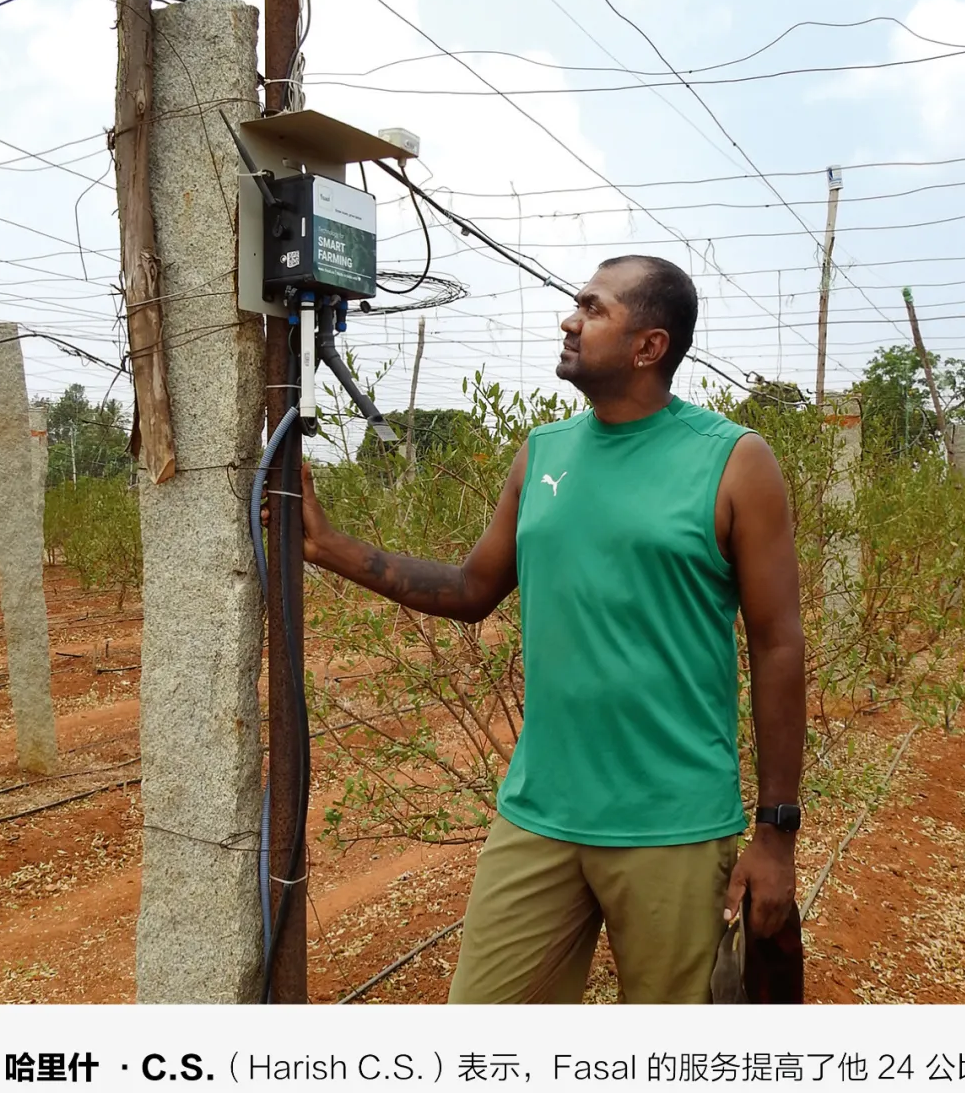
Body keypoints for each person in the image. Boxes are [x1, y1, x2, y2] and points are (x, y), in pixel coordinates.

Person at [299, 254, 806, 1003]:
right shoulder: (542, 454)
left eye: (593, 309)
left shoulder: (734, 462)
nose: (569, 320)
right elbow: (473, 588)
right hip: (539, 816)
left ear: (649, 345)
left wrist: (776, 833)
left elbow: (778, 644)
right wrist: (327, 545)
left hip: (672, 826)